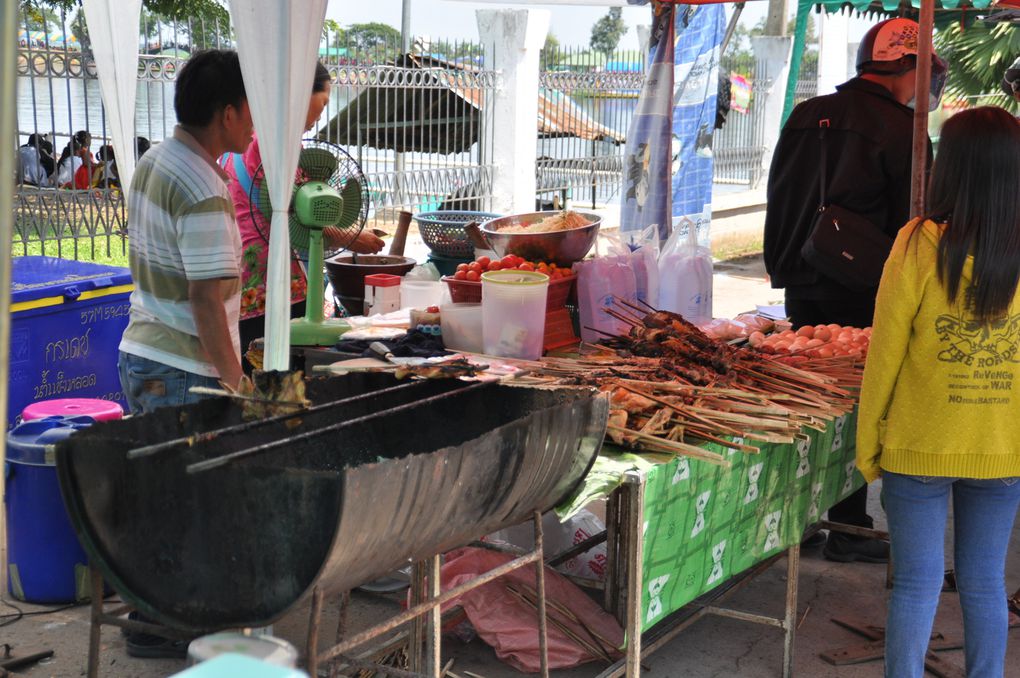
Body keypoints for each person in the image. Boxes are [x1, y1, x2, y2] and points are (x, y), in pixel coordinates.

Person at [762, 17, 947, 564]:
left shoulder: (802, 114)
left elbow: (780, 197)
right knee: (855, 404)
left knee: (803, 401)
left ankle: (793, 523)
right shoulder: (902, 131)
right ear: (907, 68)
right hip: (866, 286)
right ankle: (848, 527)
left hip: (801, 278)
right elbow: (917, 221)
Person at [857, 106, 1020, 678]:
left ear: (947, 166)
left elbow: (886, 353)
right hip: (1003, 450)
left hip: (917, 444)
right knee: (984, 584)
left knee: (917, 585)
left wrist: (867, 440)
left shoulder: (918, 243)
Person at [223, 61, 384, 369]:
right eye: (321, 105)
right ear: (300, 94)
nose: (318, 117)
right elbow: (303, 214)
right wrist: (352, 238)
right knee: (280, 376)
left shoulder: (248, 137)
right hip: (273, 283)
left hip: (243, 278)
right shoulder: (275, 143)